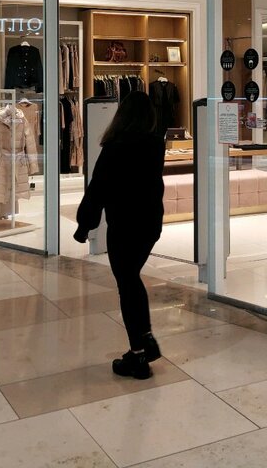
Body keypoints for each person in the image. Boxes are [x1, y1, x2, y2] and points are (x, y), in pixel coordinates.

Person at [74, 91, 165, 380]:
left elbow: (98, 188)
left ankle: (138, 355)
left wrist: (84, 225)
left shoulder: (115, 147)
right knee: (131, 280)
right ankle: (145, 338)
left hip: (124, 226)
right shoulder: (156, 144)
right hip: (149, 225)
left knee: (127, 285)